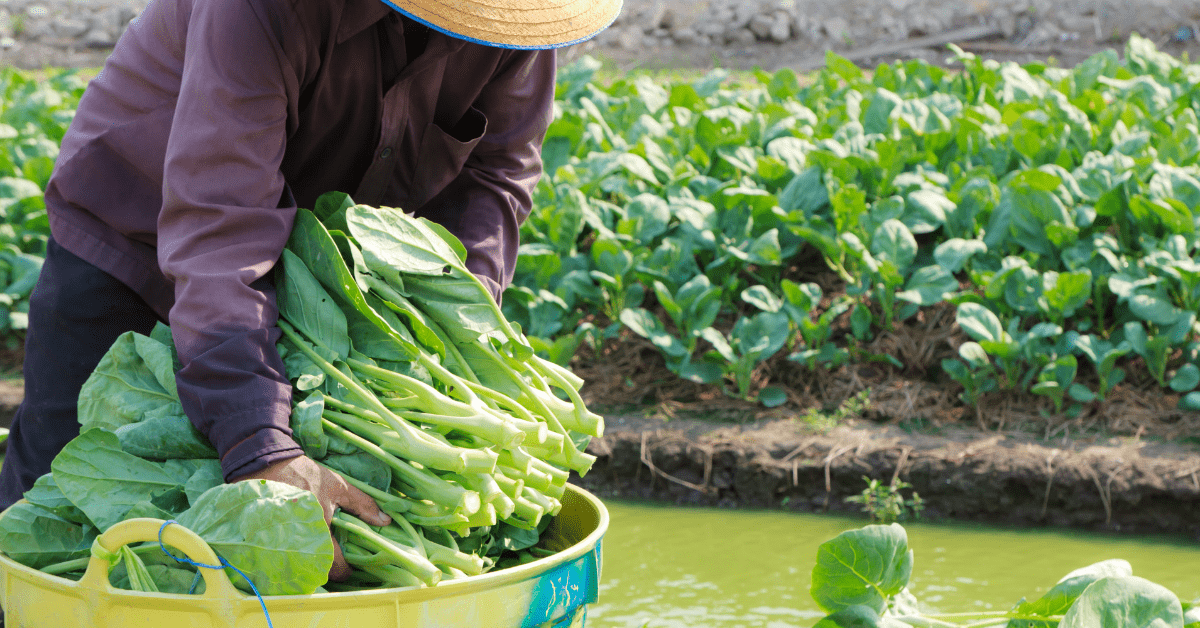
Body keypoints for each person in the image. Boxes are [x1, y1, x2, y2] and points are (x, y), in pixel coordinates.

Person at [0, 0, 621, 581]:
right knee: (57, 517)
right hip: (134, 240)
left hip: (323, 282)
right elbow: (220, 227)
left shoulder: (512, 21)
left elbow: (495, 180)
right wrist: (261, 446)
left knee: (300, 548)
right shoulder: (261, 9)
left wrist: (446, 346)